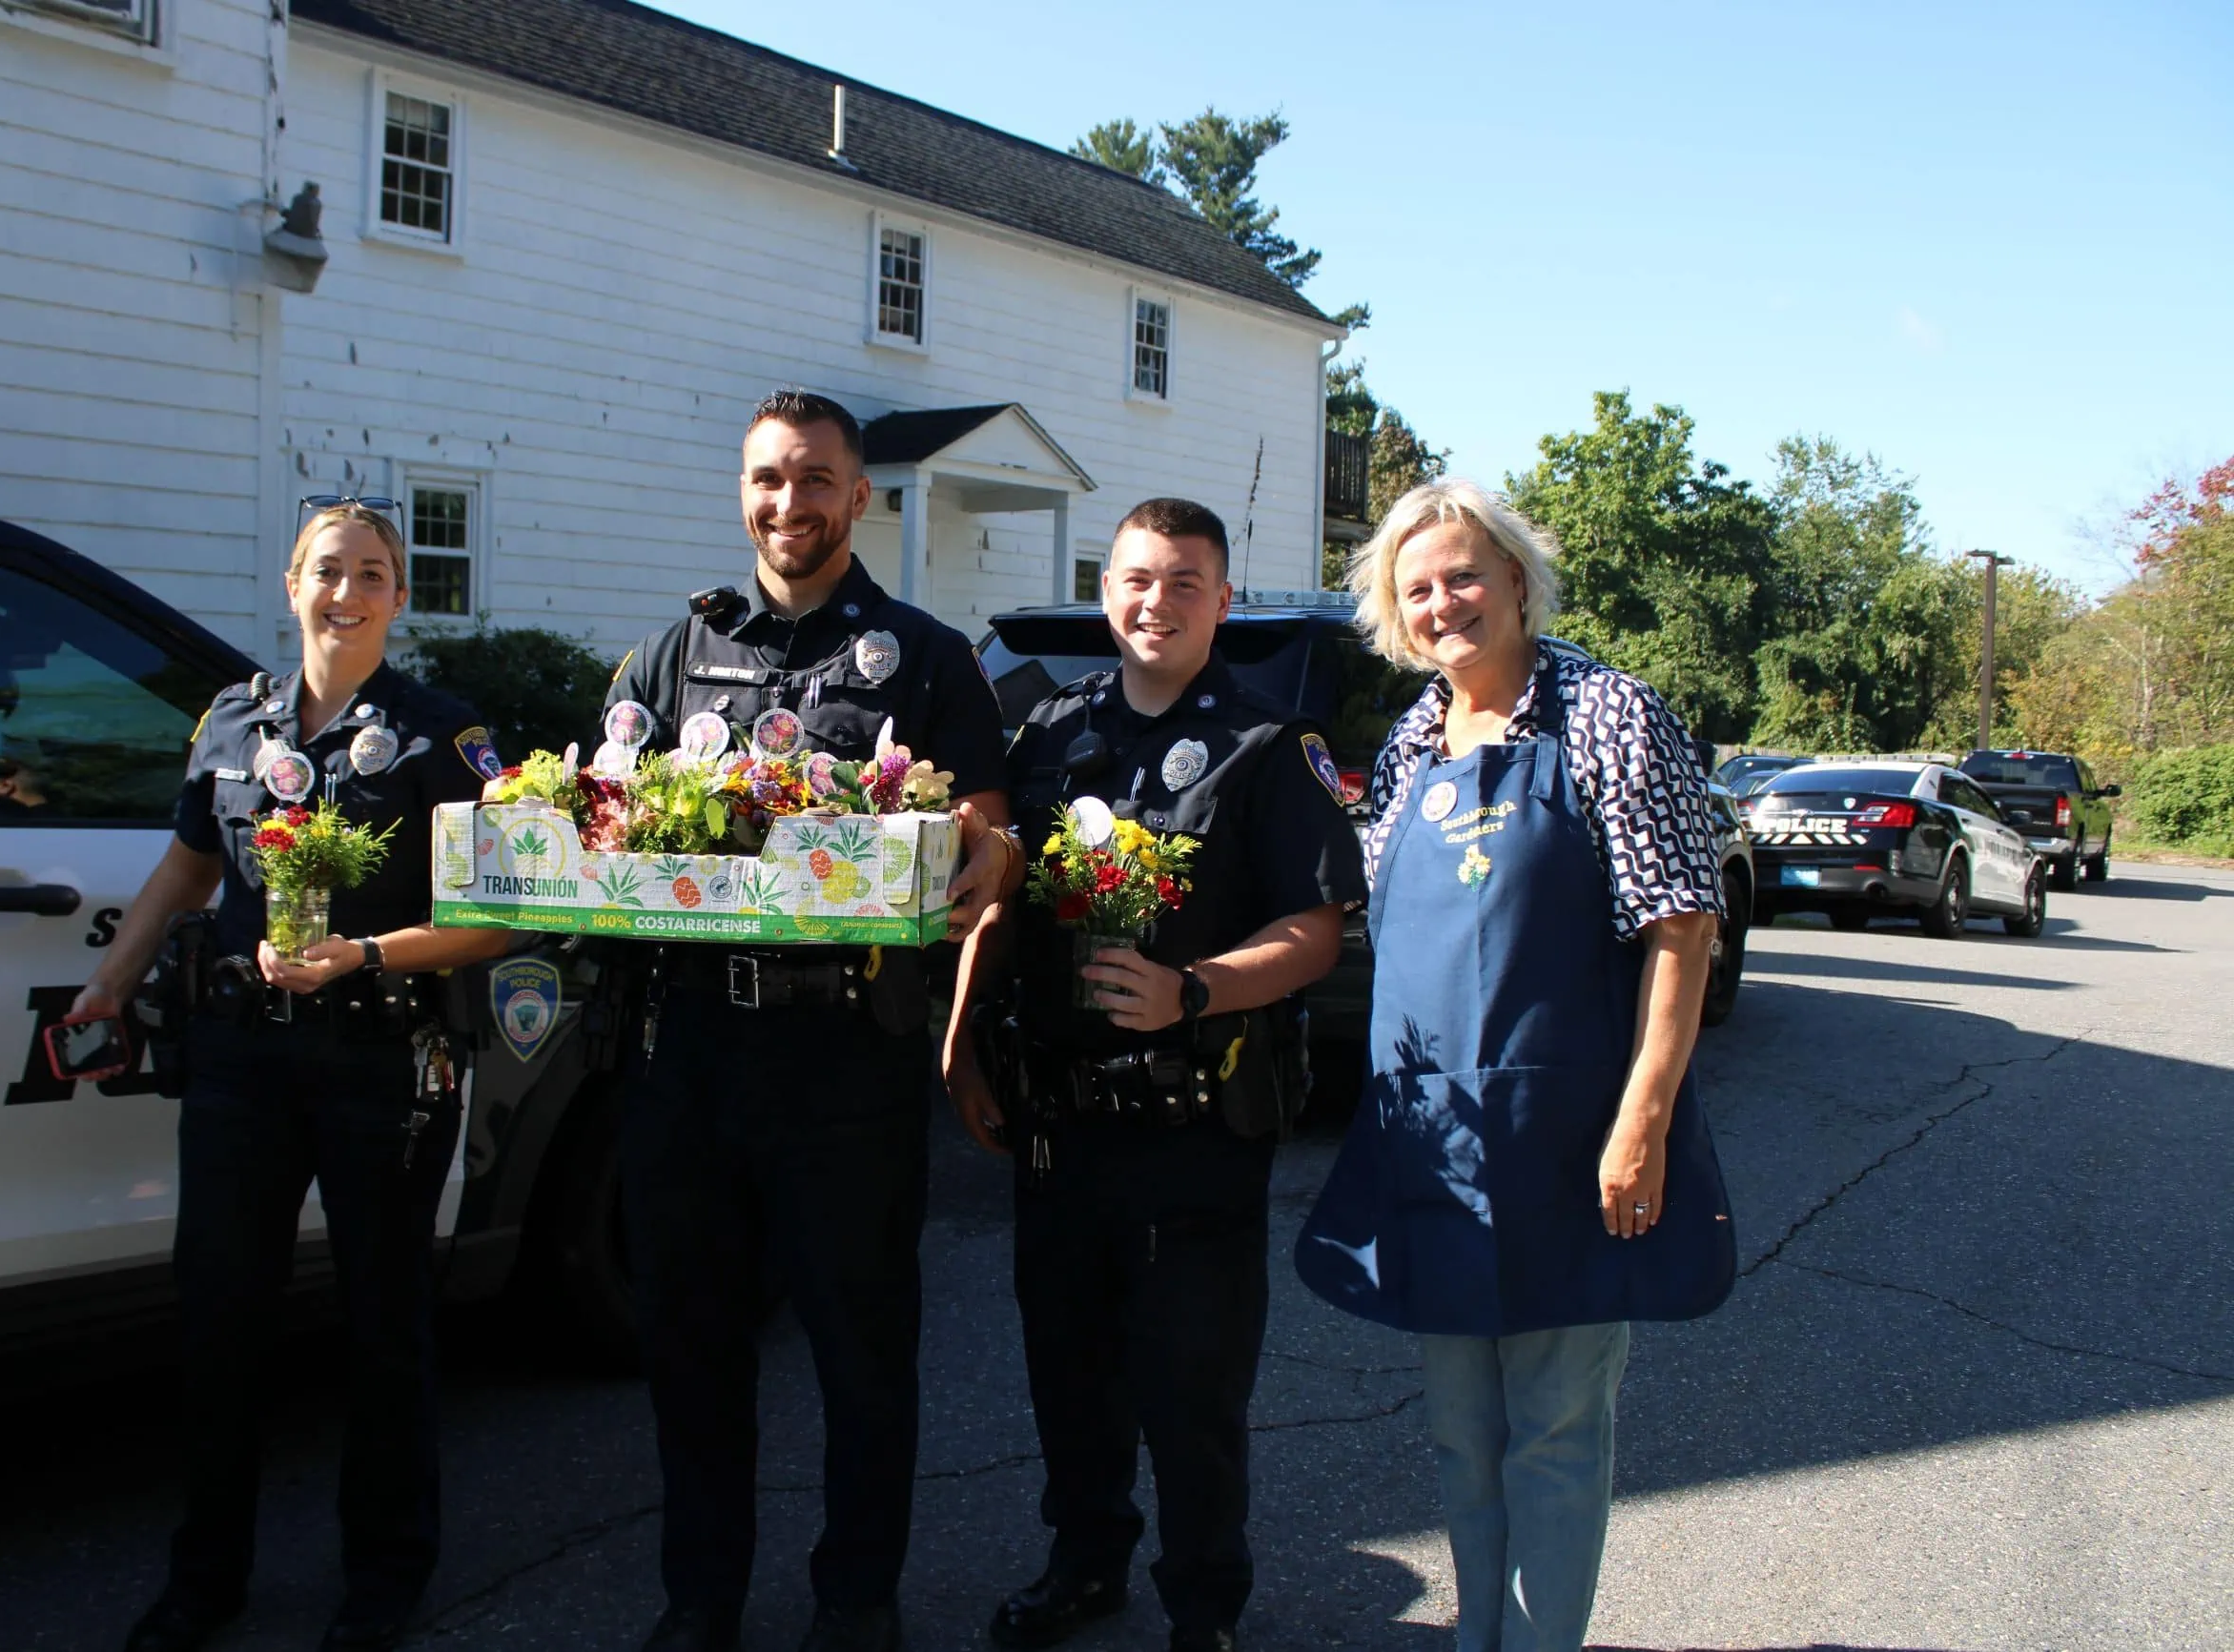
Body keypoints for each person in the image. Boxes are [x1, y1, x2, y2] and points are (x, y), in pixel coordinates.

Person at [605, 389, 1016, 1652]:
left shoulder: (927, 658)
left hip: (848, 1057)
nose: (790, 502)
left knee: (861, 1353)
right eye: (768, 479)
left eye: (816, 479)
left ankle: (856, 1600)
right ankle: (700, 1596)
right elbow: (600, 806)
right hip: (691, 1050)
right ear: (746, 492)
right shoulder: (673, 654)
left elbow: (992, 830)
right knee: (693, 1349)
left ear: (861, 496)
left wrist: (976, 866)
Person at [1294, 479, 1735, 1652]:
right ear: (1394, 611)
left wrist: (1640, 1117)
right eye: (1417, 586)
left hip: (1571, 1134)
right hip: (1435, 1143)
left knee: (1552, 1426)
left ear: (1519, 580)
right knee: (1457, 1427)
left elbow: (1680, 924)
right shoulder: (1405, 741)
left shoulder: (1607, 714)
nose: (1444, 602)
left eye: (1465, 574)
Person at [70, 500, 516, 1652]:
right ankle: (203, 1577)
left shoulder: (443, 736)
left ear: (399, 597)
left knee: (383, 1324)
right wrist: (110, 981)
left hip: (381, 1056)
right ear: (289, 583)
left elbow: (496, 917)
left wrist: (360, 953)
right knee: (219, 1317)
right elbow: (186, 862)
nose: (347, 592)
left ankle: (384, 1578)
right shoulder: (232, 719)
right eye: (327, 570)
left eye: (373, 573)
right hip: (240, 1060)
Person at [944, 499, 1366, 1652]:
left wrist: (1195, 988)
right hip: (1057, 1124)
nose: (1156, 600)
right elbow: (997, 905)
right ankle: (1084, 1565)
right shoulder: (1045, 735)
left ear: (1221, 602)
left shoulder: (1269, 747)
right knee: (1067, 1376)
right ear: (1104, 589)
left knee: (1190, 1391)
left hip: (1194, 1129)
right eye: (1137, 577)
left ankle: (1202, 1606)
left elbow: (1313, 931)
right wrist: (965, 1043)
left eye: (1185, 582)